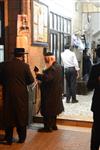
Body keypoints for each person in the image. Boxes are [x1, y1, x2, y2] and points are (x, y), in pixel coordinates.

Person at [1, 48, 34, 144]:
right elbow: (31, 81)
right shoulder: (25, 66)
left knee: (8, 116)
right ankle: (21, 139)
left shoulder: (4, 65)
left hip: (8, 94)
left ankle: (9, 138)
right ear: (22, 56)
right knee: (21, 116)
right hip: (21, 96)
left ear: (14, 55)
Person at [34, 52, 64, 132]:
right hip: (56, 92)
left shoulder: (52, 68)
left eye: (45, 60)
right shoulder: (58, 66)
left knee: (47, 110)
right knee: (54, 110)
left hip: (50, 93)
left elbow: (47, 78)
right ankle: (53, 125)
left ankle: (47, 127)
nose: (45, 62)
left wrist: (37, 75)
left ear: (49, 59)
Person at [87, 47, 100, 150]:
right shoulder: (96, 68)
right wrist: (98, 80)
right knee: (96, 130)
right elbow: (89, 86)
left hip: (97, 104)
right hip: (98, 104)